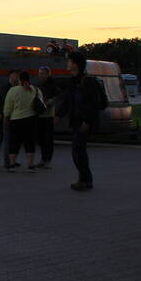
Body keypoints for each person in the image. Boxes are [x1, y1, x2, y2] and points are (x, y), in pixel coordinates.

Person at [57, 51, 100, 191]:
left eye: (69, 61)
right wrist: (58, 115)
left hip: (83, 122)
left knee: (78, 151)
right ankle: (84, 179)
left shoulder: (87, 82)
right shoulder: (74, 81)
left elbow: (93, 103)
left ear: (75, 64)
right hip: (77, 121)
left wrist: (87, 121)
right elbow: (67, 101)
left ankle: (86, 180)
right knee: (78, 151)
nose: (67, 64)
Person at [3, 70, 41, 170]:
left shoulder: (13, 90)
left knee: (14, 142)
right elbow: (41, 103)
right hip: (31, 120)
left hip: (16, 120)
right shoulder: (35, 90)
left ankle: (12, 164)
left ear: (19, 79)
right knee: (30, 143)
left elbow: (8, 107)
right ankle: (30, 165)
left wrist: (6, 116)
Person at [35, 66, 58, 168]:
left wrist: (46, 103)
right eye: (39, 73)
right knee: (40, 138)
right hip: (39, 115)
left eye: (43, 73)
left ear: (48, 74)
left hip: (48, 115)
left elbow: (55, 98)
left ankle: (47, 159)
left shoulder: (53, 86)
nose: (40, 75)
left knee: (47, 139)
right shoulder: (39, 85)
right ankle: (43, 159)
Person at [2, 70, 20, 168]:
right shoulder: (6, 89)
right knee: (8, 140)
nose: (17, 78)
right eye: (15, 76)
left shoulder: (16, 88)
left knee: (14, 140)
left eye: (17, 76)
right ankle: (7, 161)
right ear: (10, 76)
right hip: (9, 117)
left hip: (16, 117)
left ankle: (12, 160)